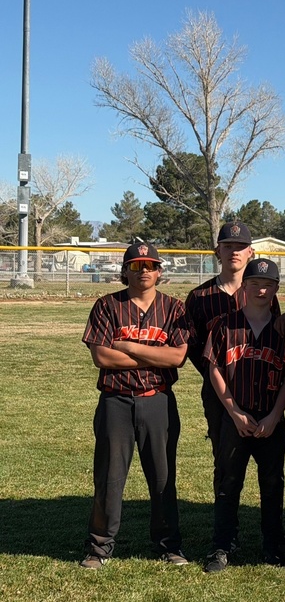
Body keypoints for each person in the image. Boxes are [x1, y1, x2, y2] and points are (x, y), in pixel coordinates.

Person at [80, 241, 190, 568]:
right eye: (137, 265)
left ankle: (169, 545)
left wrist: (127, 346)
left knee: (162, 476)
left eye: (150, 265)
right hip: (115, 401)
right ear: (125, 270)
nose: (144, 271)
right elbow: (101, 356)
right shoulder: (107, 306)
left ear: (159, 271)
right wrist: (153, 357)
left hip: (157, 401)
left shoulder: (174, 308)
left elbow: (178, 356)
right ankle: (99, 548)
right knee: (109, 477)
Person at [202, 258, 285, 573]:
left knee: (272, 482)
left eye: (268, 284)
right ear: (245, 286)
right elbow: (214, 370)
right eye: (254, 283)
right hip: (235, 416)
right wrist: (234, 412)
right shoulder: (226, 324)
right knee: (228, 482)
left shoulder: (283, 329)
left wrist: (274, 415)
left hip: (270, 417)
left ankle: (273, 543)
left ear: (277, 288)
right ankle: (222, 545)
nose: (261, 289)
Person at [185, 222, 264, 501]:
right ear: (217, 251)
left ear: (250, 252)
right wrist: (217, 375)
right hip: (218, 391)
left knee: (268, 463)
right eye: (228, 246)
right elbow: (193, 347)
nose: (234, 252)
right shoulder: (199, 296)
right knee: (225, 458)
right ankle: (224, 528)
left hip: (260, 388)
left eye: (240, 247)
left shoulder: (261, 292)